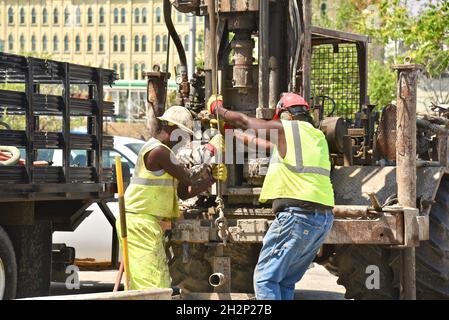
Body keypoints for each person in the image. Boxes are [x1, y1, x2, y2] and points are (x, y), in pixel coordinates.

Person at [207, 93, 334, 300]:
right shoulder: (315, 136)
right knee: (284, 282)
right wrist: (230, 132)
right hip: (322, 219)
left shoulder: (288, 129)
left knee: (265, 279)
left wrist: (218, 110)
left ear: (286, 114)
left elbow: (245, 121)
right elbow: (259, 144)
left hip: (296, 217)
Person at [119, 105, 227, 290]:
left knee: (155, 280)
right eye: (185, 134)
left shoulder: (169, 154)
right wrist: (209, 152)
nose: (186, 140)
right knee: (152, 283)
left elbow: (183, 192)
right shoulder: (158, 151)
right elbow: (189, 176)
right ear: (172, 128)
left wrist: (212, 178)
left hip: (148, 222)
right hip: (138, 221)